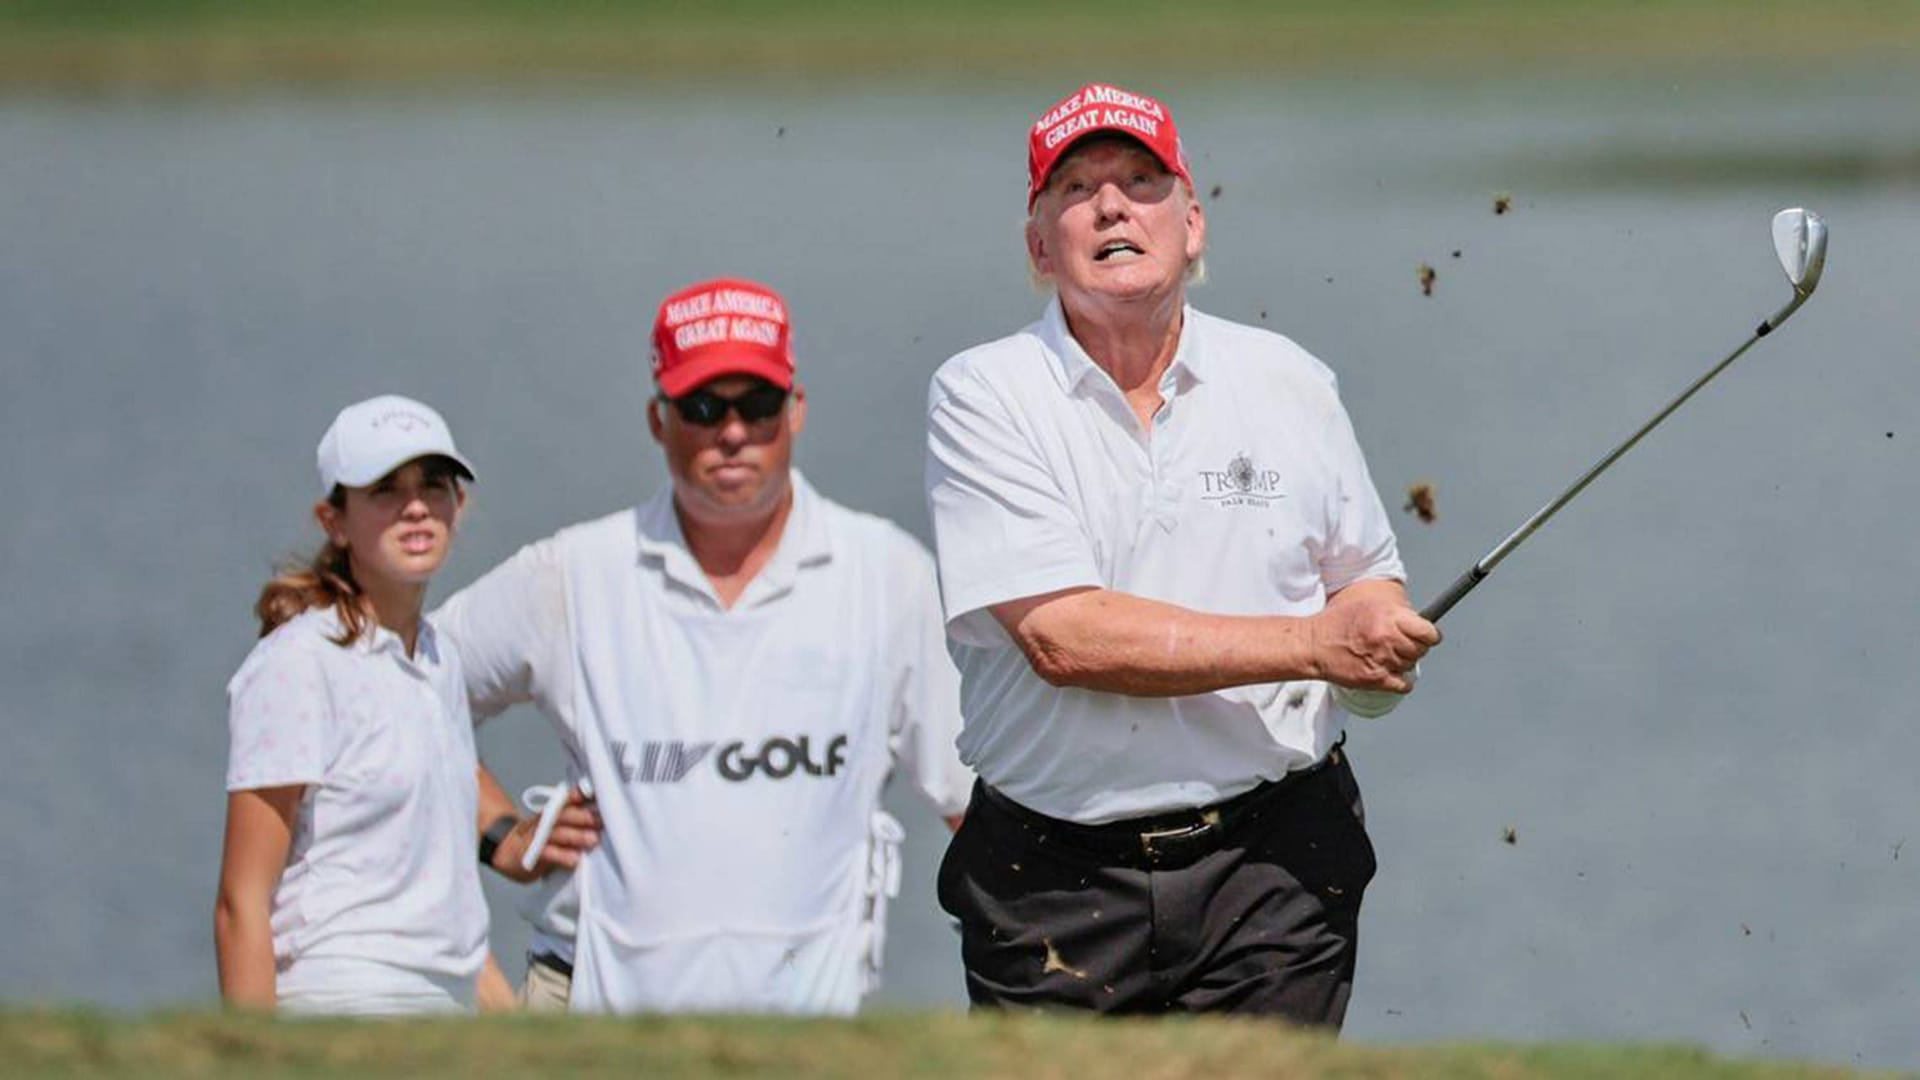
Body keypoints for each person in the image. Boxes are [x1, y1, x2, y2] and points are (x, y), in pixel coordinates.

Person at [924, 82, 1441, 1026]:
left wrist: (1371, 627)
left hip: (1274, 865)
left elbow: (1364, 574)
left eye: (1141, 180)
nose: (1113, 204)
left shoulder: (1288, 379)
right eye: (1077, 188)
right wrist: (1314, 647)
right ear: (1041, 247)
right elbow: (1066, 639)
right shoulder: (984, 394)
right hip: (1051, 881)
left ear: (1192, 225)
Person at [435, 276, 971, 1015]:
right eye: (702, 407)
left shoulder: (888, 575)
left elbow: (973, 797)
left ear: (797, 411)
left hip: (812, 1028)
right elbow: (395, 688)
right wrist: (499, 834)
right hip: (587, 1006)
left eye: (756, 405)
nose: (731, 432)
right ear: (659, 420)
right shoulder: (573, 573)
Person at [214, 394, 496, 1015]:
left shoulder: (439, 658)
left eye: (434, 485)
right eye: (385, 490)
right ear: (334, 521)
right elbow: (242, 902)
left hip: (448, 1009)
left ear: (459, 505)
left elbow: (444, 891)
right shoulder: (297, 664)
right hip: (340, 1003)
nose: (417, 507)